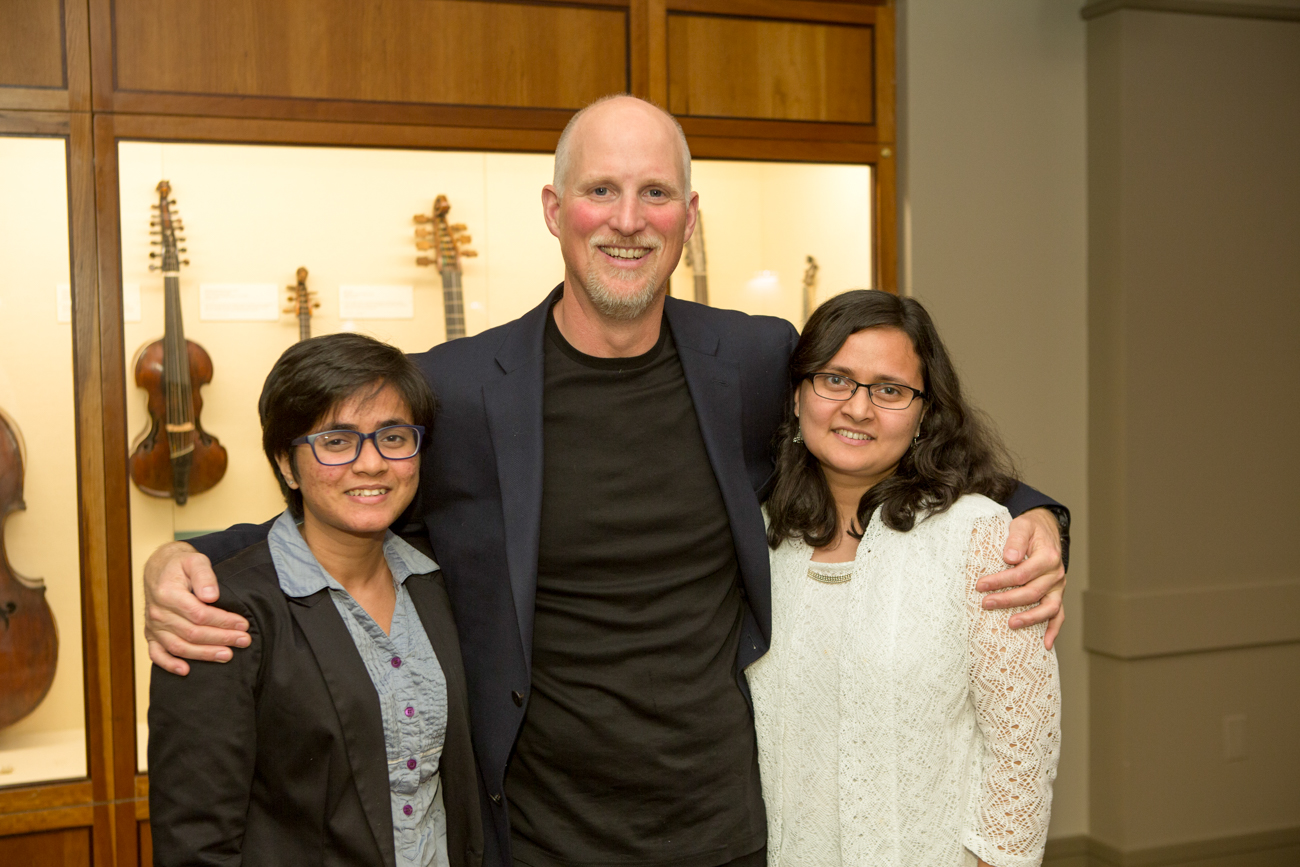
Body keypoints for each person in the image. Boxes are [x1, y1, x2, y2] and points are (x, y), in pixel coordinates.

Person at [140, 95, 1069, 867]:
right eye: (601, 191)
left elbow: (888, 436)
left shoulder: (751, 360)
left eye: (656, 192)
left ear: (689, 218)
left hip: (729, 828)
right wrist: (190, 557)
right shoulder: (460, 388)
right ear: (555, 210)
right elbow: (348, 485)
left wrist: (1036, 517)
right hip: (538, 833)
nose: (629, 219)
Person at [148, 333, 483, 867]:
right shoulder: (219, 612)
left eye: (393, 437)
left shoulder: (438, 579)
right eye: (336, 441)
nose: (371, 464)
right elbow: (195, 839)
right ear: (286, 462)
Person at [748, 290, 1059, 867]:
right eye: (835, 379)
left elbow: (1021, 748)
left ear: (923, 413)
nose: (858, 408)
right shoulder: (757, 538)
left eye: (890, 390)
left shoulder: (979, 537)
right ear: (796, 395)